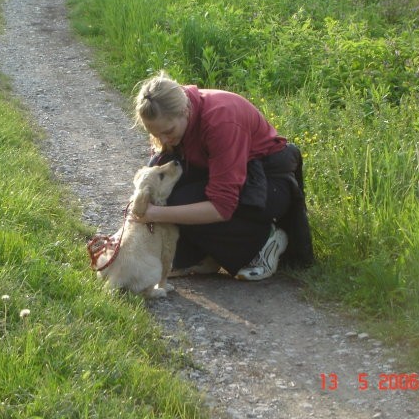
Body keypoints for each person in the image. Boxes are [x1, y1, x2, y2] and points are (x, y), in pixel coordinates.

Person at [130, 70, 314, 280]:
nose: (163, 139)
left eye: (168, 131)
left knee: (175, 202)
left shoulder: (221, 120)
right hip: (235, 177)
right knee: (168, 194)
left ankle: (264, 242)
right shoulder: (176, 118)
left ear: (184, 110)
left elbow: (221, 206)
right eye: (155, 134)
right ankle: (203, 256)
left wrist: (154, 214)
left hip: (267, 185)